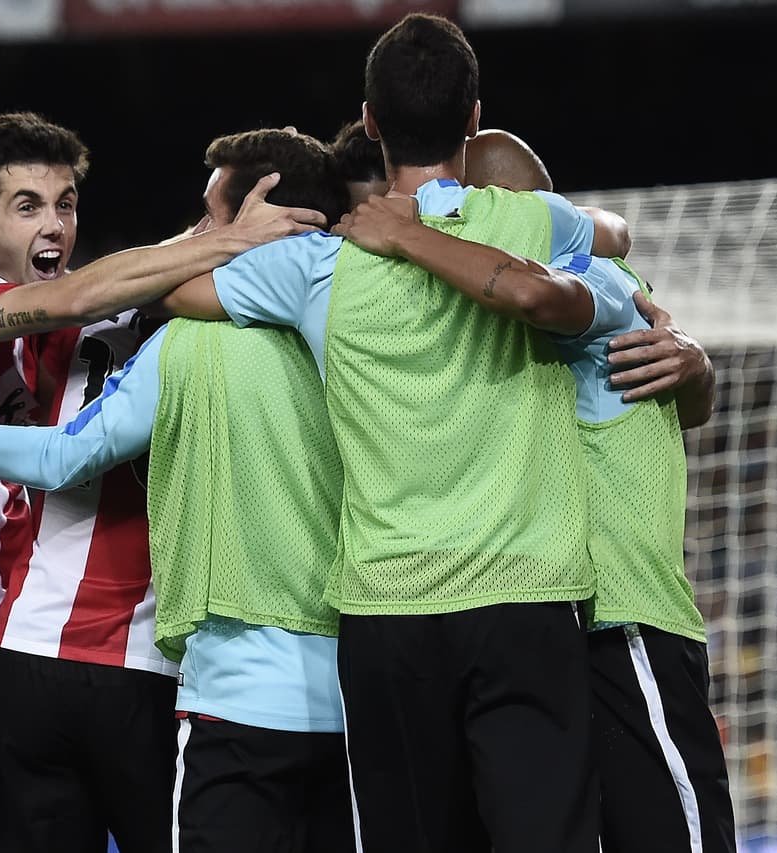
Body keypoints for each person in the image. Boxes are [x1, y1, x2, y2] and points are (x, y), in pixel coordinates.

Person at [157, 14, 635, 852]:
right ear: (475, 118)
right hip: (524, 597)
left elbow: (177, 286)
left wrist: (243, 233)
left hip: (385, 615)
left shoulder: (318, 266)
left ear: (370, 122)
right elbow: (615, 238)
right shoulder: (528, 223)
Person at [0, 111, 325, 853]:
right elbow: (81, 298)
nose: (55, 225)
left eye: (64, 204)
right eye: (27, 206)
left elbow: (110, 292)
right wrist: (228, 234)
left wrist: (225, 232)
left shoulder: (50, 338)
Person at [344, 126, 736, 852]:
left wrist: (405, 234)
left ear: (522, 210)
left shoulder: (582, 285)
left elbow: (537, 289)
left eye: (476, 206)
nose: (458, 216)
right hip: (558, 622)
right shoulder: (578, 286)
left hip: (628, 619)